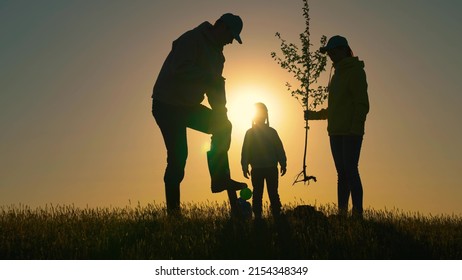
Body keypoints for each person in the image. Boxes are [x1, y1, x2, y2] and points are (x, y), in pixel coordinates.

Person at [152, 13, 247, 215]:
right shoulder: (192, 38)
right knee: (178, 158)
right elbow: (180, 68)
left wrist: (221, 111)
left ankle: (219, 177)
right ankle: (173, 213)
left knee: (224, 126)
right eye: (231, 36)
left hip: (188, 107)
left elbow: (214, 88)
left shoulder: (218, 56)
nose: (231, 41)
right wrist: (210, 78)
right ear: (221, 27)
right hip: (167, 104)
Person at [312, 35, 370, 218]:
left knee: (351, 170)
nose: (330, 55)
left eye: (333, 51)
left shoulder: (355, 72)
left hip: (351, 131)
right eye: (328, 52)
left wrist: (355, 128)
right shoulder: (336, 75)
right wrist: (316, 116)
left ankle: (357, 213)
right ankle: (342, 213)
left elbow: (362, 104)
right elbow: (336, 108)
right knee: (342, 174)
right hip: (335, 131)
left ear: (344, 50)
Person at [241, 103, 287, 219]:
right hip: (262, 168)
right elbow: (245, 150)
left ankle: (269, 215)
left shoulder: (266, 132)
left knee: (264, 193)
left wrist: (283, 162)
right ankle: (262, 216)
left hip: (264, 168)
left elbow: (278, 148)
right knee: (263, 193)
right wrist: (244, 165)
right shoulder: (254, 133)